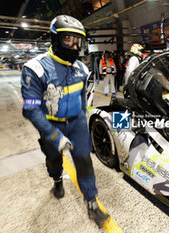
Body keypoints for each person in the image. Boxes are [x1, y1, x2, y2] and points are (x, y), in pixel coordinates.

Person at [20, 15, 109, 227]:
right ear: (55, 39)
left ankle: (92, 203)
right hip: (50, 124)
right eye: (68, 39)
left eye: (78, 40)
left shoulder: (82, 69)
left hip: (76, 122)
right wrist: (53, 135)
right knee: (53, 158)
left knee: (84, 161)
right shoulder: (35, 69)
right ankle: (57, 179)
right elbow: (31, 109)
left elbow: (81, 98)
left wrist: (83, 121)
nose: (74, 45)